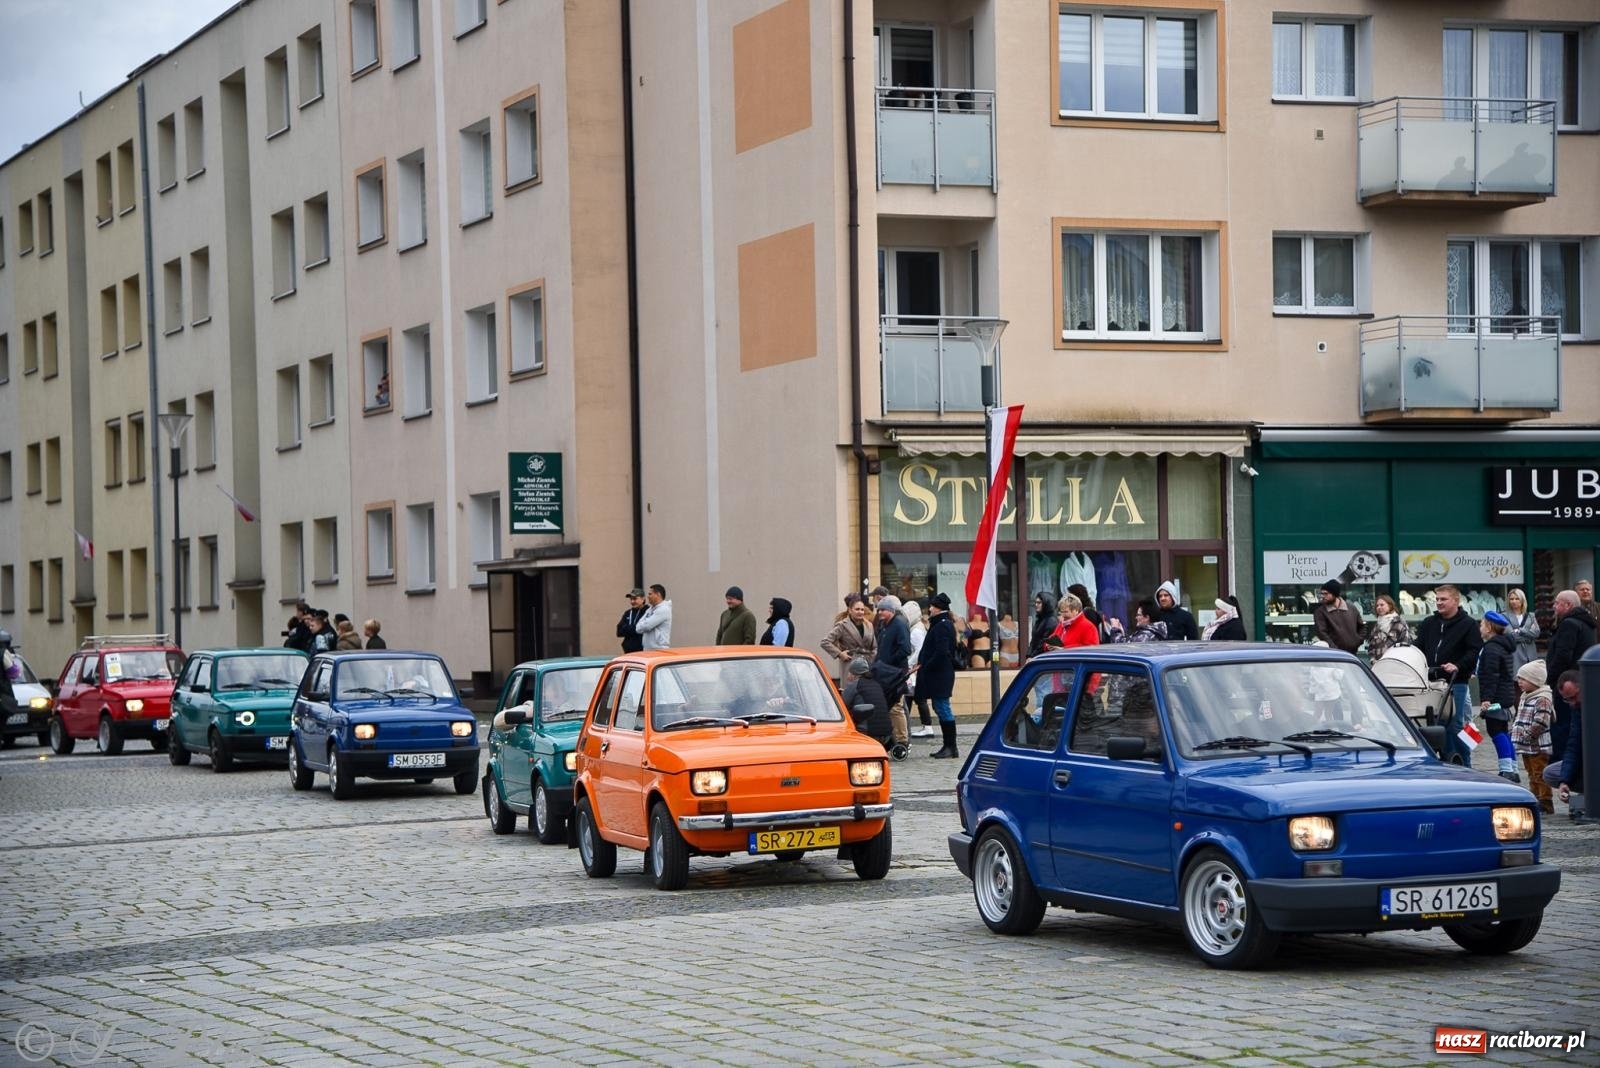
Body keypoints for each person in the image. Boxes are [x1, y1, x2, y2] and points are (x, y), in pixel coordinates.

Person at [1417, 584, 1482, 766]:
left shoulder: (1468, 624)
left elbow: (1474, 650)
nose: (1439, 603)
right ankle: (1444, 762)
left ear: (1456, 600)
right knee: (1436, 725)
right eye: (1437, 599)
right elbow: (1418, 647)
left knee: (1455, 725)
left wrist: (1458, 666)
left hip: (1456, 682)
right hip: (1430, 681)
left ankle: (1462, 763)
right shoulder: (1429, 623)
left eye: (1443, 599)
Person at [1544, 589, 1595, 759]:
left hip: (1566, 683)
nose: (1554, 606)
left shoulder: (1569, 624)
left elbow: (1562, 655)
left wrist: (1549, 680)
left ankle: (1561, 763)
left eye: (1557, 602)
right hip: (1579, 681)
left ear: (1568, 605)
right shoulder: (1585, 623)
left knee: (1562, 726)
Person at [1475, 610, 1519, 780]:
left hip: (1496, 697)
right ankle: (1513, 768)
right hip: (1504, 695)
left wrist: (1487, 699)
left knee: (1495, 730)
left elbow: (1490, 675)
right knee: (1503, 730)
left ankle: (1506, 769)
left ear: (1489, 628)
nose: (1479, 627)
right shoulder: (1503, 645)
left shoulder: (1492, 648)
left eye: (1481, 624)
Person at [917, 592, 960, 759]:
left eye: (932, 606)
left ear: (938, 608)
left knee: (942, 707)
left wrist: (926, 665)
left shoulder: (942, 625)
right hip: (938, 673)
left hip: (940, 674)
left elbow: (942, 651)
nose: (930, 608)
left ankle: (951, 747)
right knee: (939, 706)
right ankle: (948, 746)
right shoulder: (941, 623)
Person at [1510, 660, 1556, 814]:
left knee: (1539, 773)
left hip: (1537, 745)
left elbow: (1541, 721)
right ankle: (1535, 797)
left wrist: (1527, 735)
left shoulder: (1542, 698)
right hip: (1526, 745)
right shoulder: (1526, 696)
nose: (1519, 682)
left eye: (1523, 679)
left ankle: (1545, 802)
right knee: (1531, 773)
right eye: (1519, 678)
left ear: (1535, 680)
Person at [870, 595, 913, 752]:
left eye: (883, 610)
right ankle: (892, 738)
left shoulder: (899, 624)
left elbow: (905, 649)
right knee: (888, 705)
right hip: (884, 672)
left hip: (895, 672)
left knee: (896, 706)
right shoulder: (885, 625)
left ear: (891, 611)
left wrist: (888, 662)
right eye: (879, 609)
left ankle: (902, 740)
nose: (880, 612)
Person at [1542, 671, 1585, 821]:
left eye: (1574, 697)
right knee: (1550, 773)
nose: (1572, 703)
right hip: (1587, 761)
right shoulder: (1576, 709)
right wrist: (1564, 781)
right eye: (1567, 700)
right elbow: (1573, 745)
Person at [842, 657, 895, 755]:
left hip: (867, 734)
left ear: (853, 674)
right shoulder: (876, 684)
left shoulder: (854, 685)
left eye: (849, 672)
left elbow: (842, 707)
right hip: (887, 734)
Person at [821, 596, 876, 686]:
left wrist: (872, 659)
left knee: (866, 691)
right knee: (850, 691)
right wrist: (840, 654)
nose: (860, 612)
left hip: (867, 664)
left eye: (862, 610)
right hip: (850, 663)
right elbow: (825, 642)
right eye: (857, 609)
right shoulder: (842, 625)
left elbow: (874, 646)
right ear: (850, 610)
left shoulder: (869, 625)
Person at [904, 599, 932, 738]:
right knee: (911, 697)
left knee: (917, 698)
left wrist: (909, 664)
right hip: (915, 668)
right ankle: (906, 725)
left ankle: (926, 726)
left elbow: (919, 650)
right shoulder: (918, 627)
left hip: (914, 669)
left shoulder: (916, 631)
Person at [1312, 580, 1363, 654]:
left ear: (1334, 594)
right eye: (1322, 594)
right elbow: (1322, 633)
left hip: (1353, 653)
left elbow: (1361, 627)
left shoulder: (1351, 608)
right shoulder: (1320, 612)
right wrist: (1335, 650)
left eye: (1326, 594)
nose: (1323, 596)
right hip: (1334, 654)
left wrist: (1357, 641)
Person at [1364, 593, 1411, 662]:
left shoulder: (1399, 623)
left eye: (1382, 605)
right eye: (1377, 606)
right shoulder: (1377, 626)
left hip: (1396, 664)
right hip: (1378, 665)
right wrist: (1372, 660)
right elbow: (1371, 647)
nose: (1379, 607)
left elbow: (1405, 645)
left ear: (1390, 606)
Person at [1504, 588, 1540, 672]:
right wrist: (1528, 636)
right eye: (1511, 599)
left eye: (1517, 599)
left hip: (1530, 655)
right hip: (1515, 654)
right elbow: (1511, 636)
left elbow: (1536, 633)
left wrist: (1520, 631)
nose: (1514, 601)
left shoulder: (1531, 616)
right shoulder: (1504, 616)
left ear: (1522, 600)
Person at [635, 584, 673, 650]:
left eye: (650, 594)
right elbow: (637, 628)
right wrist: (644, 625)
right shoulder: (649, 609)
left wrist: (644, 624)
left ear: (658, 595)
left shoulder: (663, 609)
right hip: (648, 649)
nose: (648, 596)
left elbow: (647, 626)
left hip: (659, 650)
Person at [1027, 592, 1059, 661]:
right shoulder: (1040, 619)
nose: (1036, 605)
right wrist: (1029, 655)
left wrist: (1032, 657)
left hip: (1044, 658)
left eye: (1039, 603)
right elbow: (1033, 640)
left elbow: (1044, 642)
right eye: (1035, 602)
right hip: (1036, 657)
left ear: (1046, 604)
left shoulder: (1051, 621)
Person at [616, 588, 647, 653]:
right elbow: (619, 631)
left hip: (643, 651)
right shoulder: (628, 613)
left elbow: (643, 628)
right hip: (628, 651)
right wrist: (634, 628)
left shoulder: (647, 612)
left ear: (643, 599)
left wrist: (627, 628)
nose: (632, 601)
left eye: (635, 599)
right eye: (631, 599)